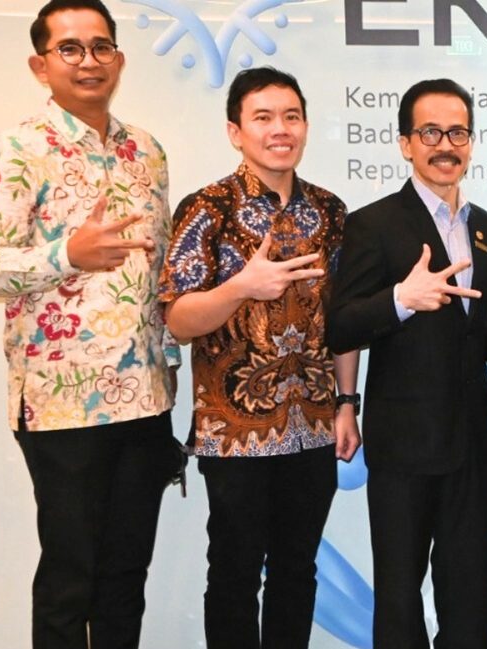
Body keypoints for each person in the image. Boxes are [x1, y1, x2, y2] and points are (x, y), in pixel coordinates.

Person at [0, 1, 179, 646]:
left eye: (101, 46)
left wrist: (170, 361)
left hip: (145, 398)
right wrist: (68, 255)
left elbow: (161, 273)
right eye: (70, 48)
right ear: (41, 65)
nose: (89, 61)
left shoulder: (147, 151)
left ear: (119, 58)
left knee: (125, 577)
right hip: (63, 406)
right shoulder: (13, 151)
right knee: (69, 580)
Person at [326, 78, 487, 649]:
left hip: (473, 441)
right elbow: (340, 326)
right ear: (406, 143)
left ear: (471, 141)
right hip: (404, 444)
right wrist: (400, 298)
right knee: (399, 597)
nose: (446, 145)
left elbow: (477, 324)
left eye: (458, 132)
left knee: (471, 595)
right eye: (431, 132)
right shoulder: (372, 224)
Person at [158, 66, 359, 648]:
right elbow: (178, 318)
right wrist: (242, 287)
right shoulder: (207, 208)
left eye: (291, 117)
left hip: (313, 426)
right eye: (263, 117)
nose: (280, 129)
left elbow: (343, 322)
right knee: (234, 572)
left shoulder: (330, 211)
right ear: (235, 131)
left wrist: (347, 403)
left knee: (298, 570)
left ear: (305, 127)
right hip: (235, 432)